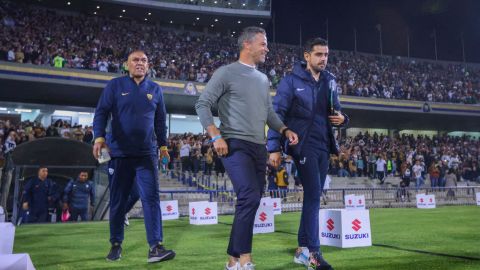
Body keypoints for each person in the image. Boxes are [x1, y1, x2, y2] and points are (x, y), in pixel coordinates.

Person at [195, 26, 298, 270]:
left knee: (250, 199)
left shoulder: (263, 79)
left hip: (258, 147)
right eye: (263, 43)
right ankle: (245, 259)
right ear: (247, 45)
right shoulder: (226, 72)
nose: (267, 48)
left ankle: (232, 259)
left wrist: (284, 130)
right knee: (249, 195)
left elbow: (269, 113)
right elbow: (202, 103)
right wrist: (215, 136)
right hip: (233, 144)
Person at [267, 37, 349, 270]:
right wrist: (273, 147)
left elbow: (339, 113)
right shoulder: (291, 81)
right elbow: (277, 113)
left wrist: (344, 120)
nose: (323, 59)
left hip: (324, 145)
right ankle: (314, 252)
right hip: (302, 145)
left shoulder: (330, 81)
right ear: (307, 56)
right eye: (319, 55)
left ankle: (302, 250)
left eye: (326, 55)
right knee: (313, 195)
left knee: (313, 196)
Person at [92, 50, 175, 263]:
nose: (140, 63)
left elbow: (159, 121)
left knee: (151, 199)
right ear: (127, 64)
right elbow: (101, 112)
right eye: (135, 60)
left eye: (144, 60)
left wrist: (163, 147)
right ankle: (116, 244)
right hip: (118, 153)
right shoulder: (115, 85)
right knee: (118, 201)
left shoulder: (155, 89)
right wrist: (99, 137)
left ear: (148, 66)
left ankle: (155, 247)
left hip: (146, 154)